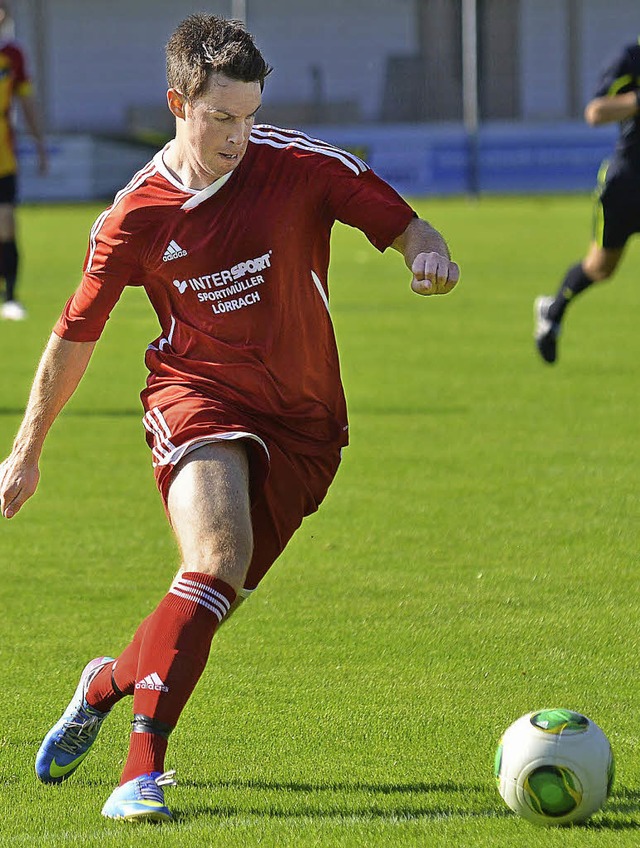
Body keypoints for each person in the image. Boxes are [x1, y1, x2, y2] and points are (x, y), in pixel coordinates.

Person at [0, 14, 459, 824]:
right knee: (216, 559)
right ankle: (138, 776)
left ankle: (104, 683)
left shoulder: (297, 165)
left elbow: (403, 221)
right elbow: (75, 333)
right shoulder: (135, 215)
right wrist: (27, 450)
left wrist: (427, 251)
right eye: (220, 117)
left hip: (307, 424)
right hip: (196, 395)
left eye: (249, 114)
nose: (240, 135)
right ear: (178, 103)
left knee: (215, 597)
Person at [534, 39, 640, 364]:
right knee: (601, 267)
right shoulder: (629, 58)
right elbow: (595, 112)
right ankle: (553, 309)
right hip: (628, 181)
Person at [0, 0, 48, 321]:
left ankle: (10, 297)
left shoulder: (12, 55)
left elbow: (26, 101)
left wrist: (39, 144)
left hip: (3, 156)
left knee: (5, 225)